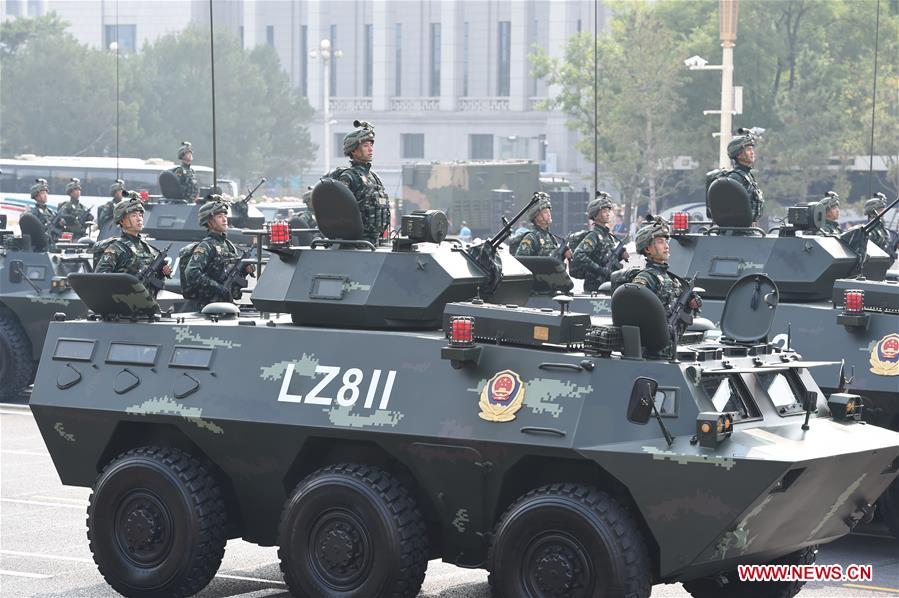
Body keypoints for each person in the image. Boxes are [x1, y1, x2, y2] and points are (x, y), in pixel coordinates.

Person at [631, 217, 701, 358]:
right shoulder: (645, 278)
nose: (666, 246)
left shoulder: (673, 279)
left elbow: (685, 306)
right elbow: (637, 313)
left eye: (666, 241)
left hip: (670, 348)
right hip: (651, 351)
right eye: (660, 241)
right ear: (647, 249)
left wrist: (693, 302)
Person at [182, 197, 255, 309]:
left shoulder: (229, 245)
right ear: (209, 222)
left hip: (227, 304)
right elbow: (192, 272)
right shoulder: (206, 246)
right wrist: (218, 287)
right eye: (219, 216)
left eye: (225, 216)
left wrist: (244, 269)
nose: (224, 219)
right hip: (209, 305)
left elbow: (232, 272)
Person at [94, 193, 172, 291]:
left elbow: (157, 281)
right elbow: (100, 279)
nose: (139, 219)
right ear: (122, 221)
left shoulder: (147, 248)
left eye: (140, 215)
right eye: (133, 215)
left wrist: (162, 273)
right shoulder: (116, 248)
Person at [331, 120, 390, 245]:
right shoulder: (349, 177)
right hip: (355, 244)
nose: (370, 149)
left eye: (371, 145)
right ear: (353, 150)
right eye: (365, 145)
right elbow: (339, 209)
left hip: (375, 242)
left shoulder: (374, 177)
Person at [572, 192, 628, 292]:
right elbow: (579, 254)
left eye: (608, 211)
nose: (607, 213)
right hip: (595, 284)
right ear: (596, 214)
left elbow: (605, 257)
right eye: (604, 211)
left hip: (608, 283)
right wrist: (599, 269)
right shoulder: (594, 235)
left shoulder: (608, 236)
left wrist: (620, 256)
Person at [515, 192, 572, 260]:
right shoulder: (531, 237)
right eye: (545, 212)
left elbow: (555, 260)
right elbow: (521, 260)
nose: (549, 214)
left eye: (549, 212)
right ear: (536, 217)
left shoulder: (551, 238)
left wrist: (563, 253)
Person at [725, 130, 764, 225]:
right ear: (738, 154)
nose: (752, 152)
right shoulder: (735, 178)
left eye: (752, 149)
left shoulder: (748, 175)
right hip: (739, 230)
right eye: (748, 149)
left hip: (748, 228)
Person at [863, 193, 896, 261]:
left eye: (883, 210)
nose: (883, 213)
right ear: (872, 212)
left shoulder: (882, 229)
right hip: (875, 265)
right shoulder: (869, 230)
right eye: (880, 210)